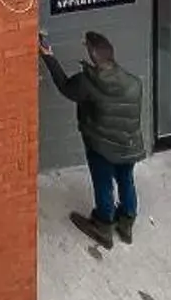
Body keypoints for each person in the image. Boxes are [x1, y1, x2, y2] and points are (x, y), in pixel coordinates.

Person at [40, 30, 146, 248]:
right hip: (129, 144)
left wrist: (48, 56)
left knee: (103, 183)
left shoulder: (87, 83)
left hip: (102, 146)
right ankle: (126, 223)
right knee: (126, 180)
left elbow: (65, 87)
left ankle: (103, 225)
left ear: (92, 55)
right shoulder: (134, 83)